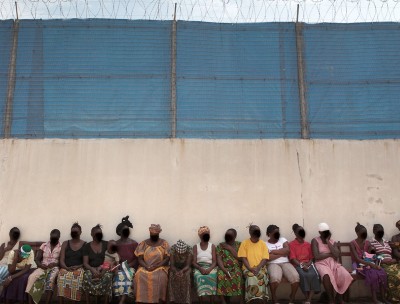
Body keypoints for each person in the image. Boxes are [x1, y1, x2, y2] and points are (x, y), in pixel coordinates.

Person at [311, 223, 353, 304]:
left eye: (327, 231)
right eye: (323, 232)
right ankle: (331, 300)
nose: (325, 233)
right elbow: (316, 256)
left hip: (333, 263)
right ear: (319, 232)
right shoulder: (315, 240)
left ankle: (339, 297)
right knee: (326, 276)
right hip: (321, 264)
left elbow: (336, 255)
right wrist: (330, 254)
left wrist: (327, 241)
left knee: (346, 275)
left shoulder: (332, 241)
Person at [350, 222, 387, 304]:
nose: (364, 234)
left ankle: (383, 297)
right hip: (358, 265)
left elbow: (372, 254)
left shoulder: (367, 243)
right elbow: (357, 259)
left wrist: (373, 252)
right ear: (357, 233)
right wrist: (371, 265)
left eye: (365, 233)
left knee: (382, 272)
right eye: (362, 233)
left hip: (368, 263)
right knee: (373, 273)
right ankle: (374, 299)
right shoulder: (352, 243)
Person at [134, 224, 170, 304]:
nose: (153, 236)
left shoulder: (164, 243)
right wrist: (146, 266)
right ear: (149, 233)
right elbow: (139, 259)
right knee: (139, 275)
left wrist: (157, 265)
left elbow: (167, 258)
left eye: (155, 235)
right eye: (152, 235)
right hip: (145, 266)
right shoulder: (143, 243)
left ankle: (160, 300)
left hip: (160, 267)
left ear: (158, 234)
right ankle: (141, 300)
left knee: (162, 276)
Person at [26, 229, 62, 304]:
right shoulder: (44, 245)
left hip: (54, 268)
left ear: (59, 237)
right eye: (52, 238)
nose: (53, 240)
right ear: (50, 236)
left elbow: (62, 261)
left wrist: (55, 264)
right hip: (43, 267)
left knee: (50, 280)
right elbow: (37, 259)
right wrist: (40, 265)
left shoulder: (61, 247)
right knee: (31, 277)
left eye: (55, 238)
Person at [266, 224, 299, 304]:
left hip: (285, 262)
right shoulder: (264, 244)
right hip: (273, 264)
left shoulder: (283, 240)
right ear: (269, 234)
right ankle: (274, 297)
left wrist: (273, 252)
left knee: (295, 276)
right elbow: (268, 257)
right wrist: (282, 253)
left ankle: (292, 297)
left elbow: (287, 251)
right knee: (274, 277)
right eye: (275, 233)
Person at [237, 224, 269, 303]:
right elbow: (243, 258)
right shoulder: (244, 243)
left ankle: (261, 299)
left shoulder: (263, 244)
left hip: (261, 268)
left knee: (261, 276)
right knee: (250, 277)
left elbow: (265, 258)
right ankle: (251, 300)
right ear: (250, 233)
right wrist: (250, 268)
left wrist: (258, 268)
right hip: (248, 268)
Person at [289, 224, 320, 304]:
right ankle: (307, 298)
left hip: (308, 264)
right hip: (298, 265)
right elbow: (293, 259)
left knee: (314, 275)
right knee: (303, 275)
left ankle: (309, 300)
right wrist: (302, 266)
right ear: (295, 233)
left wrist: (308, 264)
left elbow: (311, 258)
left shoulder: (308, 244)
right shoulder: (291, 244)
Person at [82, 224, 113, 304]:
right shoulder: (87, 246)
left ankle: (105, 301)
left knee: (108, 276)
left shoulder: (106, 244)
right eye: (96, 233)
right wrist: (92, 269)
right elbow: (85, 263)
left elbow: (111, 258)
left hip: (104, 268)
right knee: (86, 276)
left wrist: (102, 268)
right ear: (92, 234)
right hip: (91, 268)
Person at [57, 222, 86, 303]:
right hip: (66, 267)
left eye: (76, 231)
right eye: (72, 231)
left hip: (79, 268)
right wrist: (66, 268)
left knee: (76, 278)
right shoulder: (66, 243)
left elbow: (85, 262)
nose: (74, 233)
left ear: (80, 232)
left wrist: (78, 266)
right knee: (61, 277)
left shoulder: (85, 244)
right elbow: (61, 260)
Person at [371, 223, 400, 303]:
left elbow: (393, 252)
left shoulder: (387, 242)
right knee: (393, 275)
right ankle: (393, 298)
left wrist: (394, 260)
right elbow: (372, 256)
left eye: (381, 231)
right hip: (382, 264)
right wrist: (382, 260)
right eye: (378, 231)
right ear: (374, 231)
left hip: (392, 263)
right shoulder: (371, 243)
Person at [113, 216, 138, 304]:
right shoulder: (116, 244)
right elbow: (113, 258)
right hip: (119, 267)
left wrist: (127, 266)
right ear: (119, 232)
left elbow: (136, 259)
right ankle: (120, 299)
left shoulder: (134, 243)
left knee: (126, 276)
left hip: (130, 267)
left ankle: (122, 301)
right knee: (117, 276)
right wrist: (118, 267)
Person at [216, 228, 243, 304]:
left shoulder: (239, 245)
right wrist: (224, 270)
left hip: (236, 268)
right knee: (221, 275)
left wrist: (230, 248)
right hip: (223, 268)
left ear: (235, 236)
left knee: (238, 275)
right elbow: (219, 259)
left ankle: (241, 300)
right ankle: (223, 301)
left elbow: (241, 258)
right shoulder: (221, 245)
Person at [192, 226, 218, 303]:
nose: (206, 236)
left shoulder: (212, 246)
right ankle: (201, 301)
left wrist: (209, 269)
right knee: (198, 276)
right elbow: (193, 262)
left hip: (210, 266)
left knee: (212, 276)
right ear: (200, 236)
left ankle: (211, 301)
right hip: (199, 267)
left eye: (207, 234)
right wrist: (200, 269)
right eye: (204, 234)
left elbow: (214, 262)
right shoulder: (195, 246)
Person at [168, 239, 192, 304]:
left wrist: (182, 271)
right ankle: (172, 300)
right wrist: (176, 271)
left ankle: (187, 301)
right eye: (179, 253)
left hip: (186, 268)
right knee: (171, 275)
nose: (180, 255)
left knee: (187, 276)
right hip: (175, 268)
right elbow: (172, 265)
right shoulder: (173, 249)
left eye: (182, 254)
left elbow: (188, 265)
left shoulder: (189, 250)